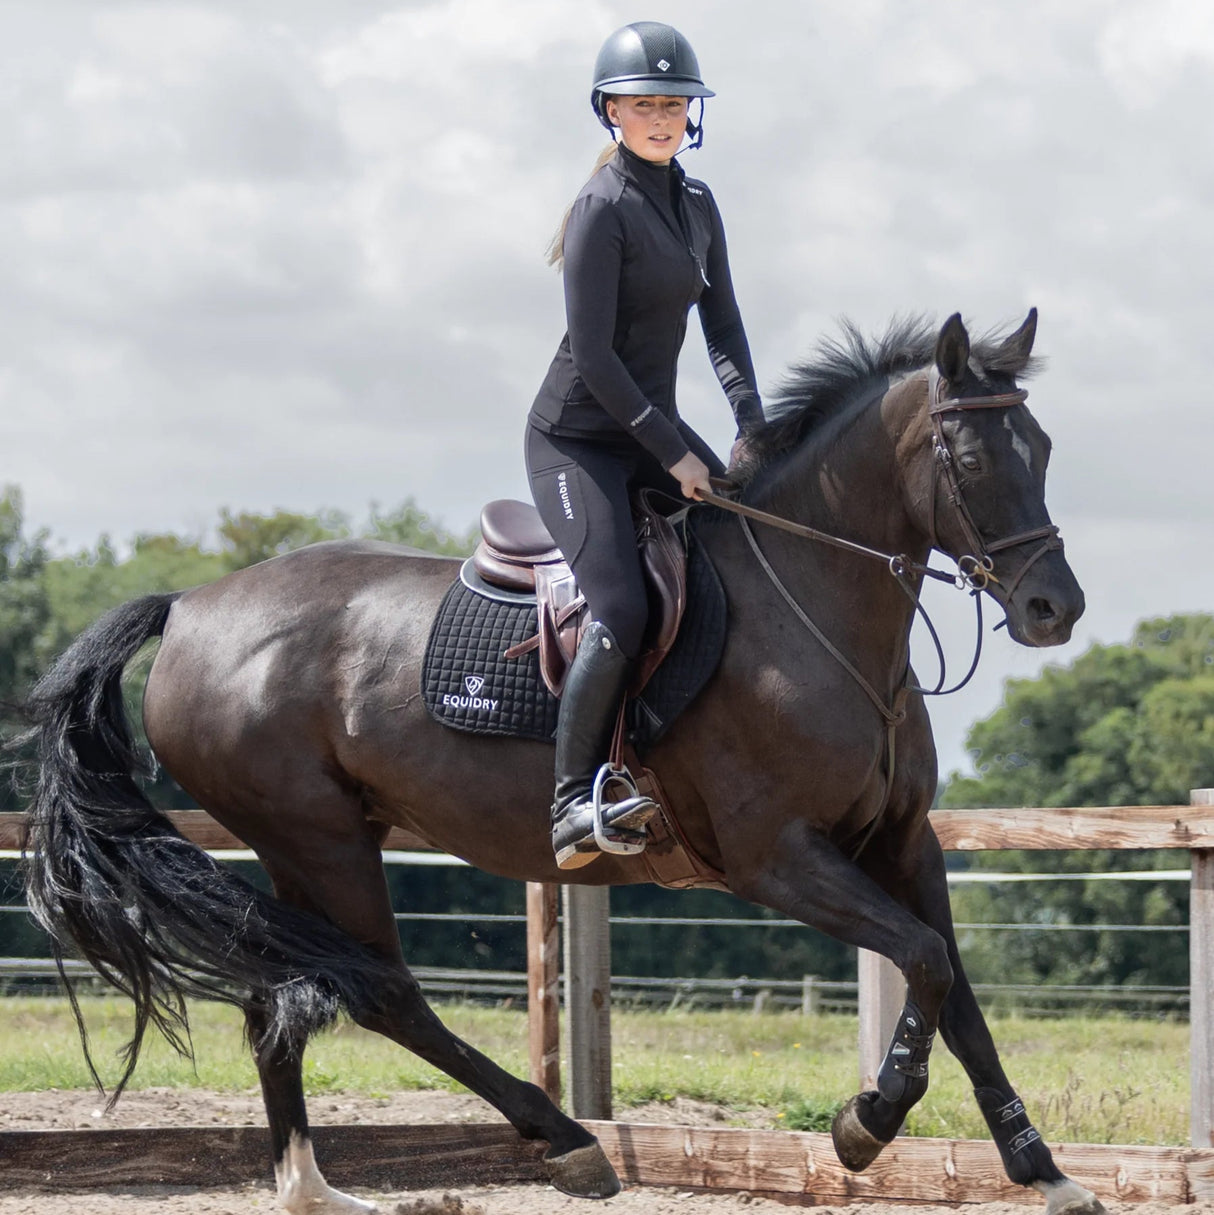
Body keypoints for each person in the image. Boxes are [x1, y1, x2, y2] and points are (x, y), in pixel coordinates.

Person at [526, 20, 763, 869]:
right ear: (611, 114)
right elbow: (594, 359)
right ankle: (567, 803)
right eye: (644, 105)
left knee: (746, 540)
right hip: (578, 441)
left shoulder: (697, 207)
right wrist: (676, 453)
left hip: (645, 431)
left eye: (674, 103)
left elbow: (725, 325)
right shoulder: (601, 210)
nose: (661, 117)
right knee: (623, 607)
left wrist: (750, 424)